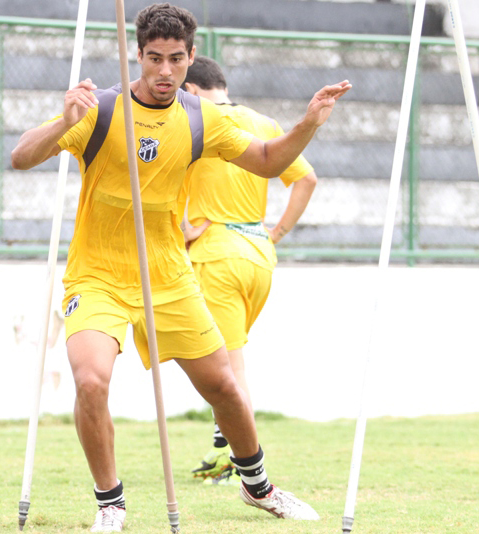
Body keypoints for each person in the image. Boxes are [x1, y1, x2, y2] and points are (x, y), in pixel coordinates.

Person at [10, 3, 350, 531]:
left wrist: (308, 124)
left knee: (225, 388)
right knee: (92, 382)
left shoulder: (201, 118)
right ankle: (110, 503)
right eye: (153, 58)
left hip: (167, 276)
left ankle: (258, 487)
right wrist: (65, 124)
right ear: (138, 55)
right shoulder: (98, 108)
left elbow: (267, 161)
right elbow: (21, 157)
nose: (164, 71)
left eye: (175, 59)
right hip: (96, 275)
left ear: (191, 58)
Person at [180, 56, 319, 486]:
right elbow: (306, 179)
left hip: (217, 254)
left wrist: (181, 227)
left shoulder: (194, 121)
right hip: (258, 254)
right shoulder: (263, 122)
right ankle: (224, 448)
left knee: (227, 369)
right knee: (223, 362)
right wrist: (274, 232)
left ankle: (244, 468)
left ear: (195, 90)